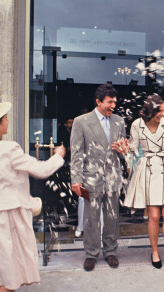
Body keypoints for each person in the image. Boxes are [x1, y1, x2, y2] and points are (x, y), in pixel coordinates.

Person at [0, 96, 65, 292]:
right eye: (5, 118)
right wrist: (59, 155)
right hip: (7, 218)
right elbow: (40, 170)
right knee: (9, 274)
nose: (8, 121)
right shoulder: (8, 149)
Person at [113, 94, 164, 270]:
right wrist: (125, 151)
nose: (162, 114)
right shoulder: (137, 125)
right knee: (154, 215)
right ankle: (155, 251)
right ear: (150, 112)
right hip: (148, 168)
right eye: (159, 111)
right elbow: (133, 149)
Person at [70, 83, 126, 272]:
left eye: (115, 102)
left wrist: (124, 151)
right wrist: (75, 178)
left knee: (112, 217)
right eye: (110, 102)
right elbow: (76, 153)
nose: (113, 105)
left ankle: (110, 251)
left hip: (112, 178)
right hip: (91, 178)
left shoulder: (119, 121)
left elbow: (124, 151)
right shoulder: (81, 121)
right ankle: (91, 254)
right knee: (91, 218)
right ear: (98, 102)